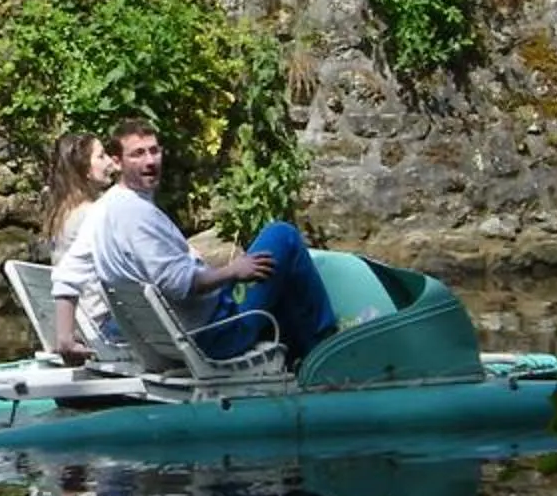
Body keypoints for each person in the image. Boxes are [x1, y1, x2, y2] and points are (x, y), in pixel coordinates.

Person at [88, 113, 337, 361]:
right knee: (283, 236)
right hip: (213, 334)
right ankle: (328, 351)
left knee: (273, 268)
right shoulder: (137, 215)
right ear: (117, 162)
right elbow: (178, 283)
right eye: (138, 154)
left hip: (173, 331)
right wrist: (232, 271)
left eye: (154, 151)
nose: (150, 161)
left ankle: (304, 352)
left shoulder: (105, 207)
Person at [39, 131, 120, 363]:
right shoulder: (92, 214)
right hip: (102, 327)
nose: (110, 162)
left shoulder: (61, 212)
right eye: (101, 156)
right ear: (85, 170)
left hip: (80, 322)